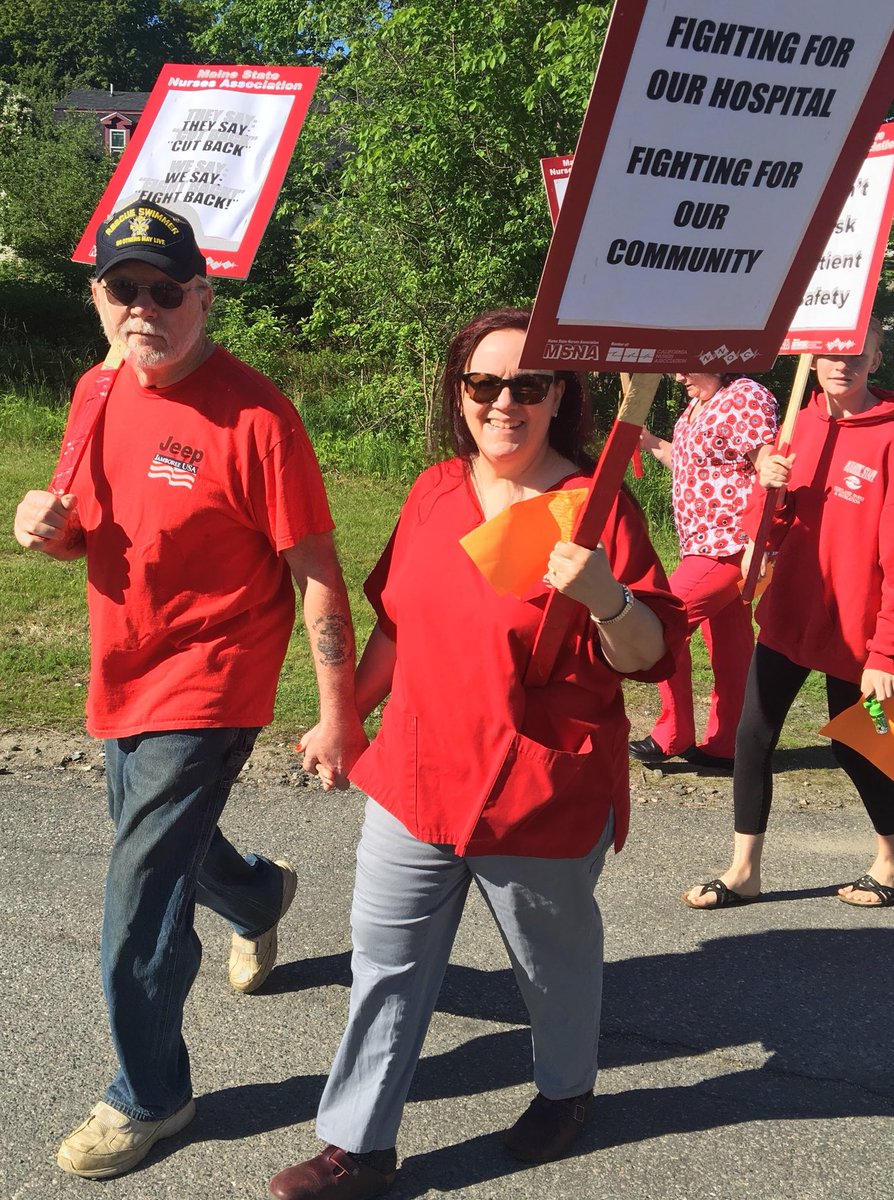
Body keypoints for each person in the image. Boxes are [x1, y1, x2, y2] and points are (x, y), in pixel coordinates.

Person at [268, 308, 687, 1200]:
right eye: (483, 384)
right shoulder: (433, 491)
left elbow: (648, 657)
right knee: (384, 965)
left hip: (538, 792)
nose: (504, 403)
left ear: (560, 395)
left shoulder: (596, 507)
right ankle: (358, 1147)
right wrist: (345, 716)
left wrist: (608, 597)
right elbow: (395, 624)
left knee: (551, 967)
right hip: (416, 777)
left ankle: (566, 1091)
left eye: (528, 385)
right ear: (459, 393)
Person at [13, 202, 367, 1178]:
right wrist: (49, 529)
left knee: (139, 898)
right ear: (98, 298)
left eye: (166, 291)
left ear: (203, 299)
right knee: (163, 849)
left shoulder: (258, 417)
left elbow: (316, 572)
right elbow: (91, 523)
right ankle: (257, 895)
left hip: (213, 681)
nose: (145, 308)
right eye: (124, 289)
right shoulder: (95, 390)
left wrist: (338, 714)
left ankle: (151, 1095)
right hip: (121, 668)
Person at [684, 317, 894, 909]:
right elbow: (766, 531)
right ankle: (744, 871)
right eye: (832, 351)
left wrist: (886, 653)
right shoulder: (799, 425)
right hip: (790, 619)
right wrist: (767, 486)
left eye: (857, 352)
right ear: (813, 358)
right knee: (752, 737)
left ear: (876, 359)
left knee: (864, 743)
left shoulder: (889, 434)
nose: (842, 363)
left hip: (861, 636)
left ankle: (889, 860)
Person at [630, 372, 777, 770]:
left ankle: (673, 733)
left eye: (688, 364)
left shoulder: (744, 396)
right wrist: (648, 441)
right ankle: (729, 745)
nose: (679, 376)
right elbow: (688, 463)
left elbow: (770, 470)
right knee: (731, 646)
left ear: (718, 355)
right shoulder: (698, 405)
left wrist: (760, 540)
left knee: (660, 622)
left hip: (730, 546)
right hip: (702, 545)